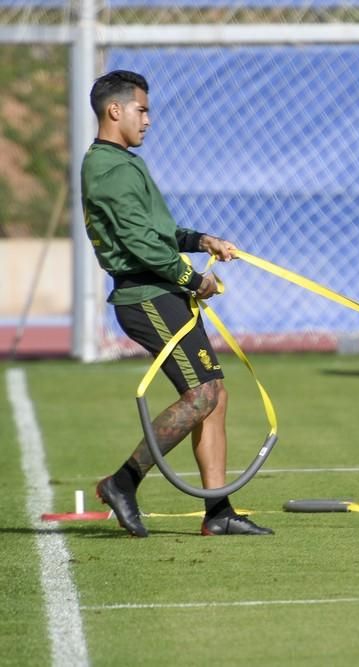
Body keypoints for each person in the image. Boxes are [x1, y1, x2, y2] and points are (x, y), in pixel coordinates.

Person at [82, 70, 272, 537]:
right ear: (115, 111)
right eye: (141, 110)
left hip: (164, 292)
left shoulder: (124, 163)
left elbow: (159, 232)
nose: (148, 120)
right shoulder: (106, 167)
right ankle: (123, 482)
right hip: (146, 296)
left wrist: (201, 239)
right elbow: (139, 243)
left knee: (215, 396)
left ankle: (218, 513)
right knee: (203, 394)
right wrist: (193, 279)